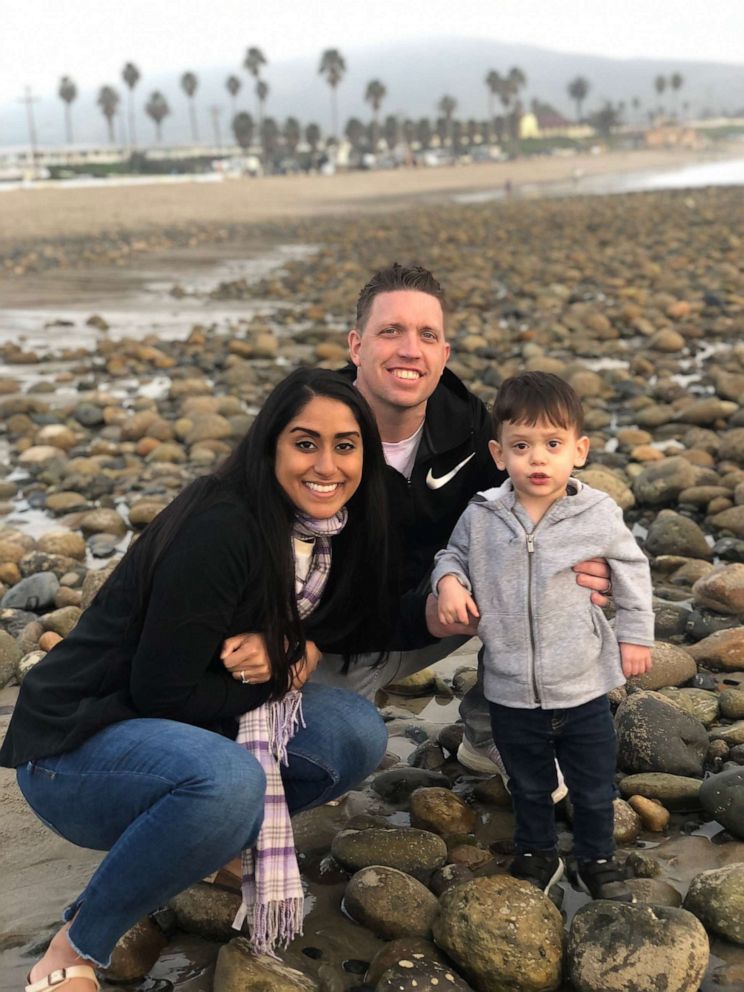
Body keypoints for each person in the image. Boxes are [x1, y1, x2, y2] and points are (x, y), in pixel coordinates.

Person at [1, 368, 395, 992]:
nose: (328, 464)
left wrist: (299, 645)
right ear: (270, 446)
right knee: (229, 782)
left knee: (353, 731)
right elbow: (163, 692)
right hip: (74, 750)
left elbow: (357, 613)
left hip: (177, 728)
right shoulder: (223, 527)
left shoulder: (327, 533)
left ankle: (209, 845)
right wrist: (274, 678)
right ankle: (73, 948)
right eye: (305, 442)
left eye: (345, 445)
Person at [222, 264, 613, 793]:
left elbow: (544, 505)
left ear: (444, 354)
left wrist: (588, 560)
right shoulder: (305, 429)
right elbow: (231, 539)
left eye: (427, 335)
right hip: (316, 632)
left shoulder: (473, 431)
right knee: (315, 758)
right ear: (356, 346)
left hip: (421, 615)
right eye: (391, 332)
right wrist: (282, 636)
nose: (410, 349)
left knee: (547, 563)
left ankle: (493, 731)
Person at [432, 371, 654, 901]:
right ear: (498, 452)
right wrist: (447, 582)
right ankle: (537, 856)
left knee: (595, 787)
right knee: (529, 786)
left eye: (552, 445)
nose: (537, 459)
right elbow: (452, 555)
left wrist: (636, 636)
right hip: (509, 690)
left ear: (578, 450)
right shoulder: (483, 514)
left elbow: (633, 570)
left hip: (582, 687)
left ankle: (598, 859)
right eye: (522, 446)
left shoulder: (596, 513)